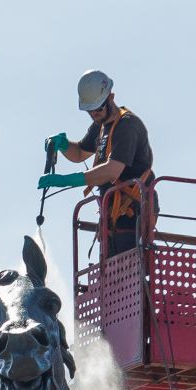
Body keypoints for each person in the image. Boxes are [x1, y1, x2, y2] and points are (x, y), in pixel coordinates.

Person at [40, 70, 155, 255]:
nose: (94, 113)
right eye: (89, 110)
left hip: (133, 212)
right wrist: (63, 144)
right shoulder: (100, 126)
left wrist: (67, 180)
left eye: (98, 108)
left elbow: (112, 171)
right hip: (112, 214)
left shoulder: (127, 125)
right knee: (114, 275)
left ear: (111, 97)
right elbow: (79, 153)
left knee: (127, 271)